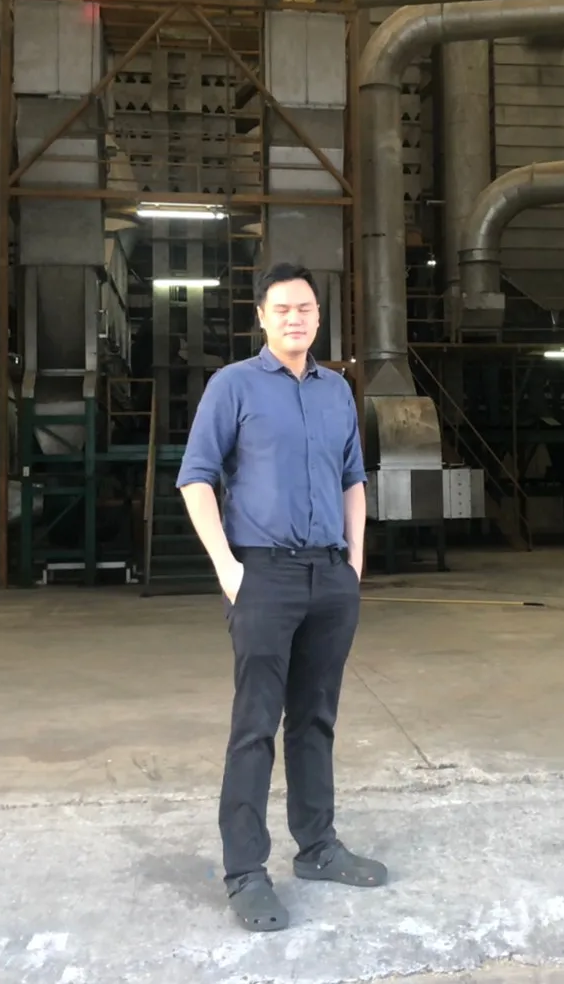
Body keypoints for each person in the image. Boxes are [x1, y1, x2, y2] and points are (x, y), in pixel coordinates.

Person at [176, 261, 385, 933]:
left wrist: (354, 565)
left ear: (319, 318)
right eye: (282, 309)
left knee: (315, 719)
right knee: (256, 725)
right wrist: (228, 570)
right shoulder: (233, 385)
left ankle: (318, 847)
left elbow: (353, 479)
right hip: (262, 575)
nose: (295, 318)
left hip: (330, 576)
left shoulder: (337, 391)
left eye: (305, 308)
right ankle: (245, 871)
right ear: (262, 318)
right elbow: (196, 478)